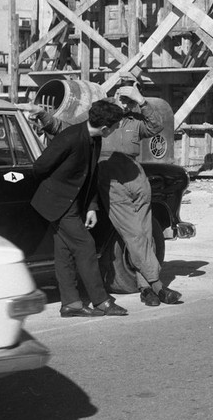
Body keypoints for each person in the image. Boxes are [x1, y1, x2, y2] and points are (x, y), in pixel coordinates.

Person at [30, 85, 182, 308]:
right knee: (134, 234)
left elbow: (157, 126)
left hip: (137, 179)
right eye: (121, 95)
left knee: (145, 233)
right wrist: (43, 115)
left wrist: (141, 100)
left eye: (127, 97)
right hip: (112, 183)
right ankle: (156, 284)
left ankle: (145, 288)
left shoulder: (134, 120)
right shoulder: (99, 118)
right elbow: (63, 128)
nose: (124, 100)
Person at [30, 98, 127, 318]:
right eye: (114, 127)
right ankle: (101, 301)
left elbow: (90, 175)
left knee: (64, 253)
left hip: (73, 204)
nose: (115, 130)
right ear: (105, 128)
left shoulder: (95, 139)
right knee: (85, 246)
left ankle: (71, 304)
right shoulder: (69, 138)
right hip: (57, 204)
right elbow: (40, 167)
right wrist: (57, 189)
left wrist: (92, 207)